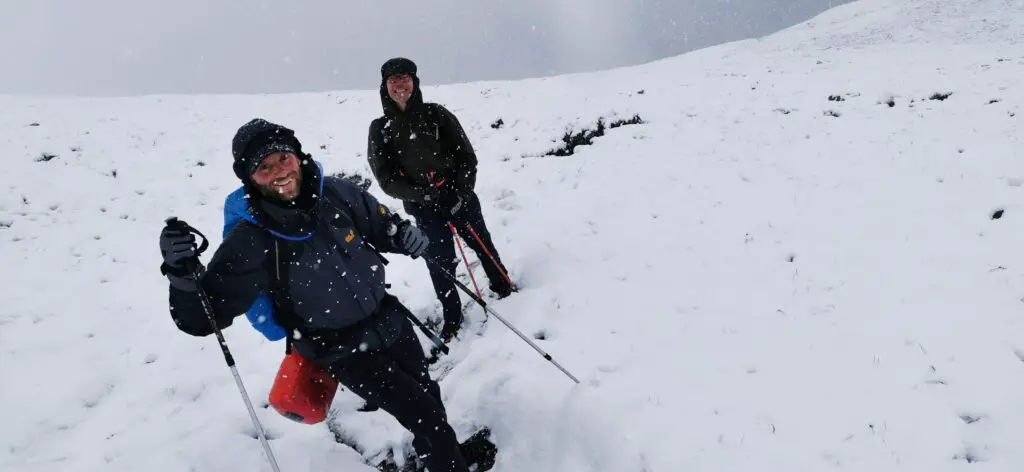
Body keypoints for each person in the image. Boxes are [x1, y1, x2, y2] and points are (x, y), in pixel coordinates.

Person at [158, 118, 472, 472]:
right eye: (263, 167)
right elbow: (203, 317)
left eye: (283, 159)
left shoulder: (335, 193)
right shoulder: (251, 238)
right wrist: (181, 272)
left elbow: (381, 225)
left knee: (428, 395)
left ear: (297, 157)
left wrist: (403, 234)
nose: (278, 172)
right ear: (249, 178)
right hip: (340, 348)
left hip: (389, 318)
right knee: (425, 415)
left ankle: (441, 458)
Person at [367, 57, 516, 343]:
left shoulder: (436, 115)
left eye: (405, 77)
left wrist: (459, 193)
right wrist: (422, 194)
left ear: (415, 82)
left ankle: (503, 286)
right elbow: (386, 179)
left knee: (480, 243)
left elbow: (466, 158)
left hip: (458, 198)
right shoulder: (380, 129)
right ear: (385, 86)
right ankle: (452, 315)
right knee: (438, 261)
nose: (400, 84)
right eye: (393, 79)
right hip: (424, 208)